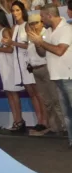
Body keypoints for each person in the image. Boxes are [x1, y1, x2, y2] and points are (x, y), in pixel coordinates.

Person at [28, 3, 72, 148]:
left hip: (68, 76)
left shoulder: (66, 29)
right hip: (57, 76)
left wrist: (42, 42)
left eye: (42, 16)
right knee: (67, 114)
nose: (41, 19)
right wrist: (37, 43)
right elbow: (42, 54)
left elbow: (59, 51)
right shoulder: (49, 31)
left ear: (49, 15)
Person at [7, 1, 48, 134]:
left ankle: (44, 121)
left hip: (29, 62)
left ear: (22, 11)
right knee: (32, 94)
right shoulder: (13, 28)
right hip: (20, 64)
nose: (15, 13)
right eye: (13, 11)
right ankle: (39, 120)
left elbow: (29, 45)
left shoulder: (27, 26)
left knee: (38, 93)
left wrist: (13, 43)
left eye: (17, 10)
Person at [0, 9, 27, 132]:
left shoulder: (5, 31)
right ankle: (16, 120)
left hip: (8, 67)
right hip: (3, 66)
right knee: (9, 94)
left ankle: (19, 120)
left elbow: (10, 49)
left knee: (13, 94)